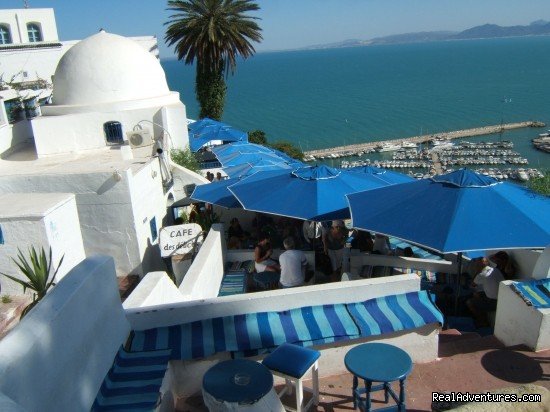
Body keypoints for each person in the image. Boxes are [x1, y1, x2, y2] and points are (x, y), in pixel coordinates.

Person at [466, 257, 504, 327]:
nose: (475, 266)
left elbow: (472, 284)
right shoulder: (495, 270)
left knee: (470, 302)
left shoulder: (482, 274)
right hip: (502, 298)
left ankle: (483, 322)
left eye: (477, 265)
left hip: (495, 302)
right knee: (477, 294)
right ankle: (483, 316)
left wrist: (477, 271)